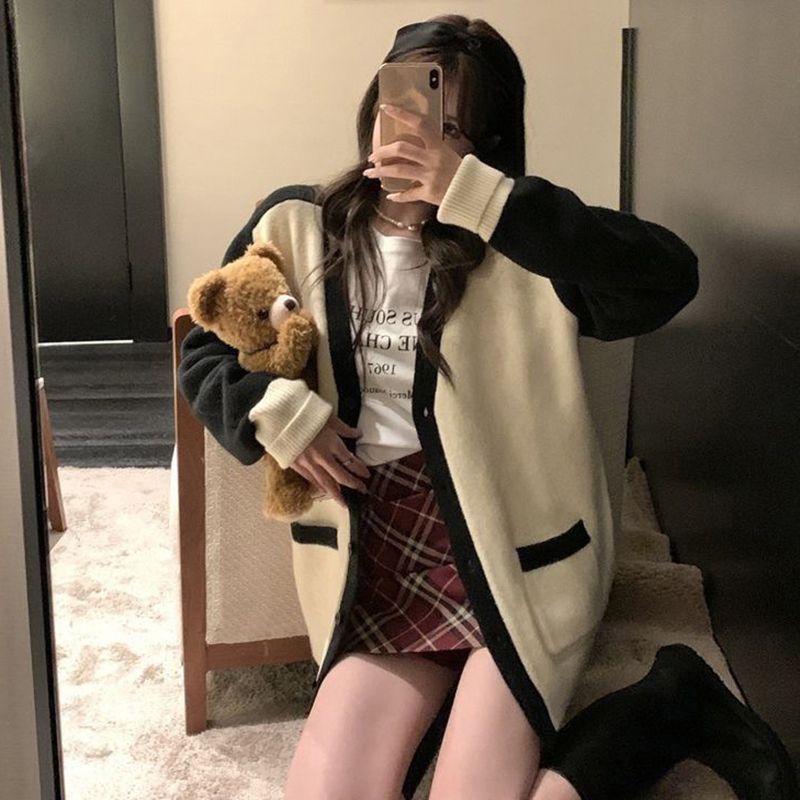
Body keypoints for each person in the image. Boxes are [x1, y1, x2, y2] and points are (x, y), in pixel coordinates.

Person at [178, 14, 798, 800]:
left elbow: (668, 276)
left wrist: (481, 197)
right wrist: (281, 417)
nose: (414, 134)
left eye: (449, 124)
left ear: (485, 143)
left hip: (514, 551)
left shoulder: (526, 242)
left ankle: (669, 705)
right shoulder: (295, 224)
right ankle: (604, 710)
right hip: (373, 553)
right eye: (401, 105)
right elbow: (207, 347)